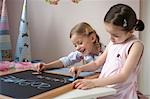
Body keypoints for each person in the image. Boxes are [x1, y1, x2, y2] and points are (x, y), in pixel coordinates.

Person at [69, 4, 145, 99]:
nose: (111, 38)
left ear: (131, 31)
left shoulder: (135, 45)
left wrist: (93, 82)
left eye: (115, 35)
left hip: (122, 94)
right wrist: (81, 68)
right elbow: (97, 63)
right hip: (104, 91)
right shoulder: (112, 43)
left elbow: (123, 76)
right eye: (109, 34)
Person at [35, 22, 105, 73]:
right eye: (75, 45)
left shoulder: (105, 52)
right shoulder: (81, 53)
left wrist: (80, 68)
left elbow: (96, 64)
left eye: (80, 43)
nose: (77, 48)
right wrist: (46, 66)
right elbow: (66, 61)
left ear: (92, 38)